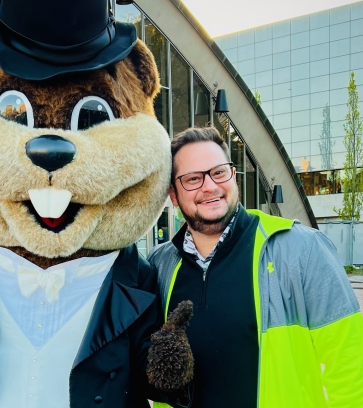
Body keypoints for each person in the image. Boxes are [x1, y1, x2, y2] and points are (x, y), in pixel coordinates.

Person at [148, 127, 363, 408]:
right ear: (173, 196)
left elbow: (349, 360)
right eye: (192, 179)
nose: (210, 186)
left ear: (233, 176)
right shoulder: (159, 266)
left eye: (219, 172)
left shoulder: (302, 249)